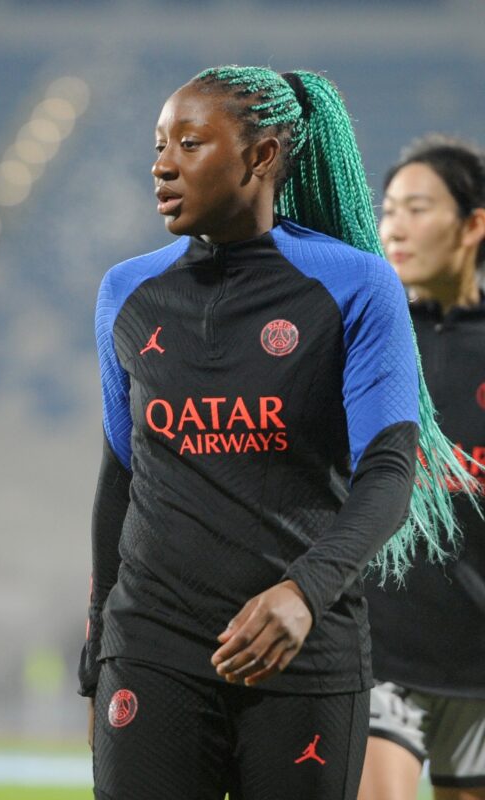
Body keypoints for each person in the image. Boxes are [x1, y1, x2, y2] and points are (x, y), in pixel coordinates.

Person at [78, 66, 476, 800]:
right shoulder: (125, 292)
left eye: (190, 143)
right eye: (159, 144)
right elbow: (119, 479)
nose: (162, 165)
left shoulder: (358, 286)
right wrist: (102, 639)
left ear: (261, 156)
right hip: (152, 650)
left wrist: (303, 593)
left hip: (305, 651)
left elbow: (389, 472)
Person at [359, 135, 485, 800]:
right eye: (388, 210)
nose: (395, 227)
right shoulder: (359, 339)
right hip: (378, 649)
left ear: (473, 225)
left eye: (417, 208)